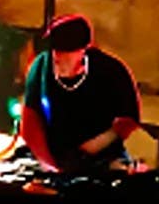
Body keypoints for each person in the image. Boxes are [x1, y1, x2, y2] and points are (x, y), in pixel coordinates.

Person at [19, 14, 141, 174]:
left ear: (83, 51)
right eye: (55, 50)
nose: (57, 57)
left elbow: (128, 121)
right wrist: (49, 165)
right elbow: (30, 121)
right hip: (52, 157)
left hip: (103, 158)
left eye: (66, 51)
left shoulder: (111, 71)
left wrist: (90, 149)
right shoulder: (41, 67)